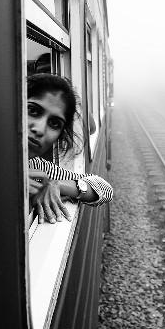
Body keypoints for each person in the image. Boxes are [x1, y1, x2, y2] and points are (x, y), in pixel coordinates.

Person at [27, 73, 113, 223]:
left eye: (54, 123)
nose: (40, 129)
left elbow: (105, 189)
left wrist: (58, 184)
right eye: (33, 111)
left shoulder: (36, 166)